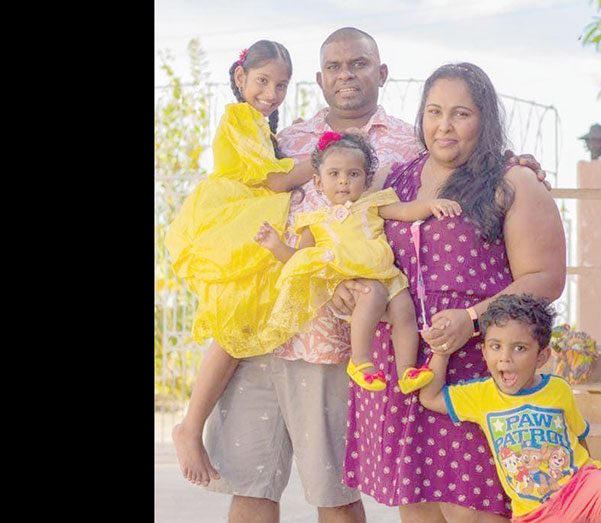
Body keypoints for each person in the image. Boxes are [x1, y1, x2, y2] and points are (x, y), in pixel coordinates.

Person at [201, 27, 548, 523]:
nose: (347, 75)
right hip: (279, 329)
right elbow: (242, 190)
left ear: (381, 72)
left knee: (341, 494)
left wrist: (514, 161)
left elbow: (458, 165)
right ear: (320, 78)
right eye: (336, 67)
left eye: (359, 64)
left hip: (353, 345)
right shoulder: (291, 138)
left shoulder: (411, 145)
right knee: (256, 488)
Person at [336, 62, 566, 523]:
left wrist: (473, 318)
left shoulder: (512, 181)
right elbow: (355, 241)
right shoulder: (393, 180)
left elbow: (545, 278)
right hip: (404, 365)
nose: (444, 125)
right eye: (434, 111)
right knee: (416, 502)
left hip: (476, 366)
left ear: (485, 119)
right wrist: (346, 284)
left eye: (461, 114)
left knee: (476, 506)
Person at [165, 39, 315, 487]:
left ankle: (191, 425)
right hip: (234, 218)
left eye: (282, 85)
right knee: (231, 330)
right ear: (240, 78)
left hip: (249, 218)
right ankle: (189, 427)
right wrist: (327, 153)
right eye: (263, 81)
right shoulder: (238, 118)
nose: (271, 93)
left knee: (243, 324)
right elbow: (275, 179)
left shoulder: (261, 125)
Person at [255, 130, 460, 393]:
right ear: (318, 182)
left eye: (353, 174)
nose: (343, 181)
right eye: (334, 174)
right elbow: (301, 260)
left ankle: (407, 370)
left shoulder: (373, 204)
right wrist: (276, 246)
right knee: (372, 293)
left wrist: (431, 204)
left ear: (366, 180)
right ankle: (361, 361)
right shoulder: (315, 222)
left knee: (404, 311)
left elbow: (406, 210)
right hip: (352, 279)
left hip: (385, 272)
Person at [419, 294, 601, 523]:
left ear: (541, 356)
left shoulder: (558, 389)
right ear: (485, 352)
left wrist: (595, 487)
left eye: (519, 348)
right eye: (496, 346)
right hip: (533, 514)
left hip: (577, 489)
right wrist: (442, 350)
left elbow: (578, 437)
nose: (505, 358)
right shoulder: (480, 395)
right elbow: (430, 396)